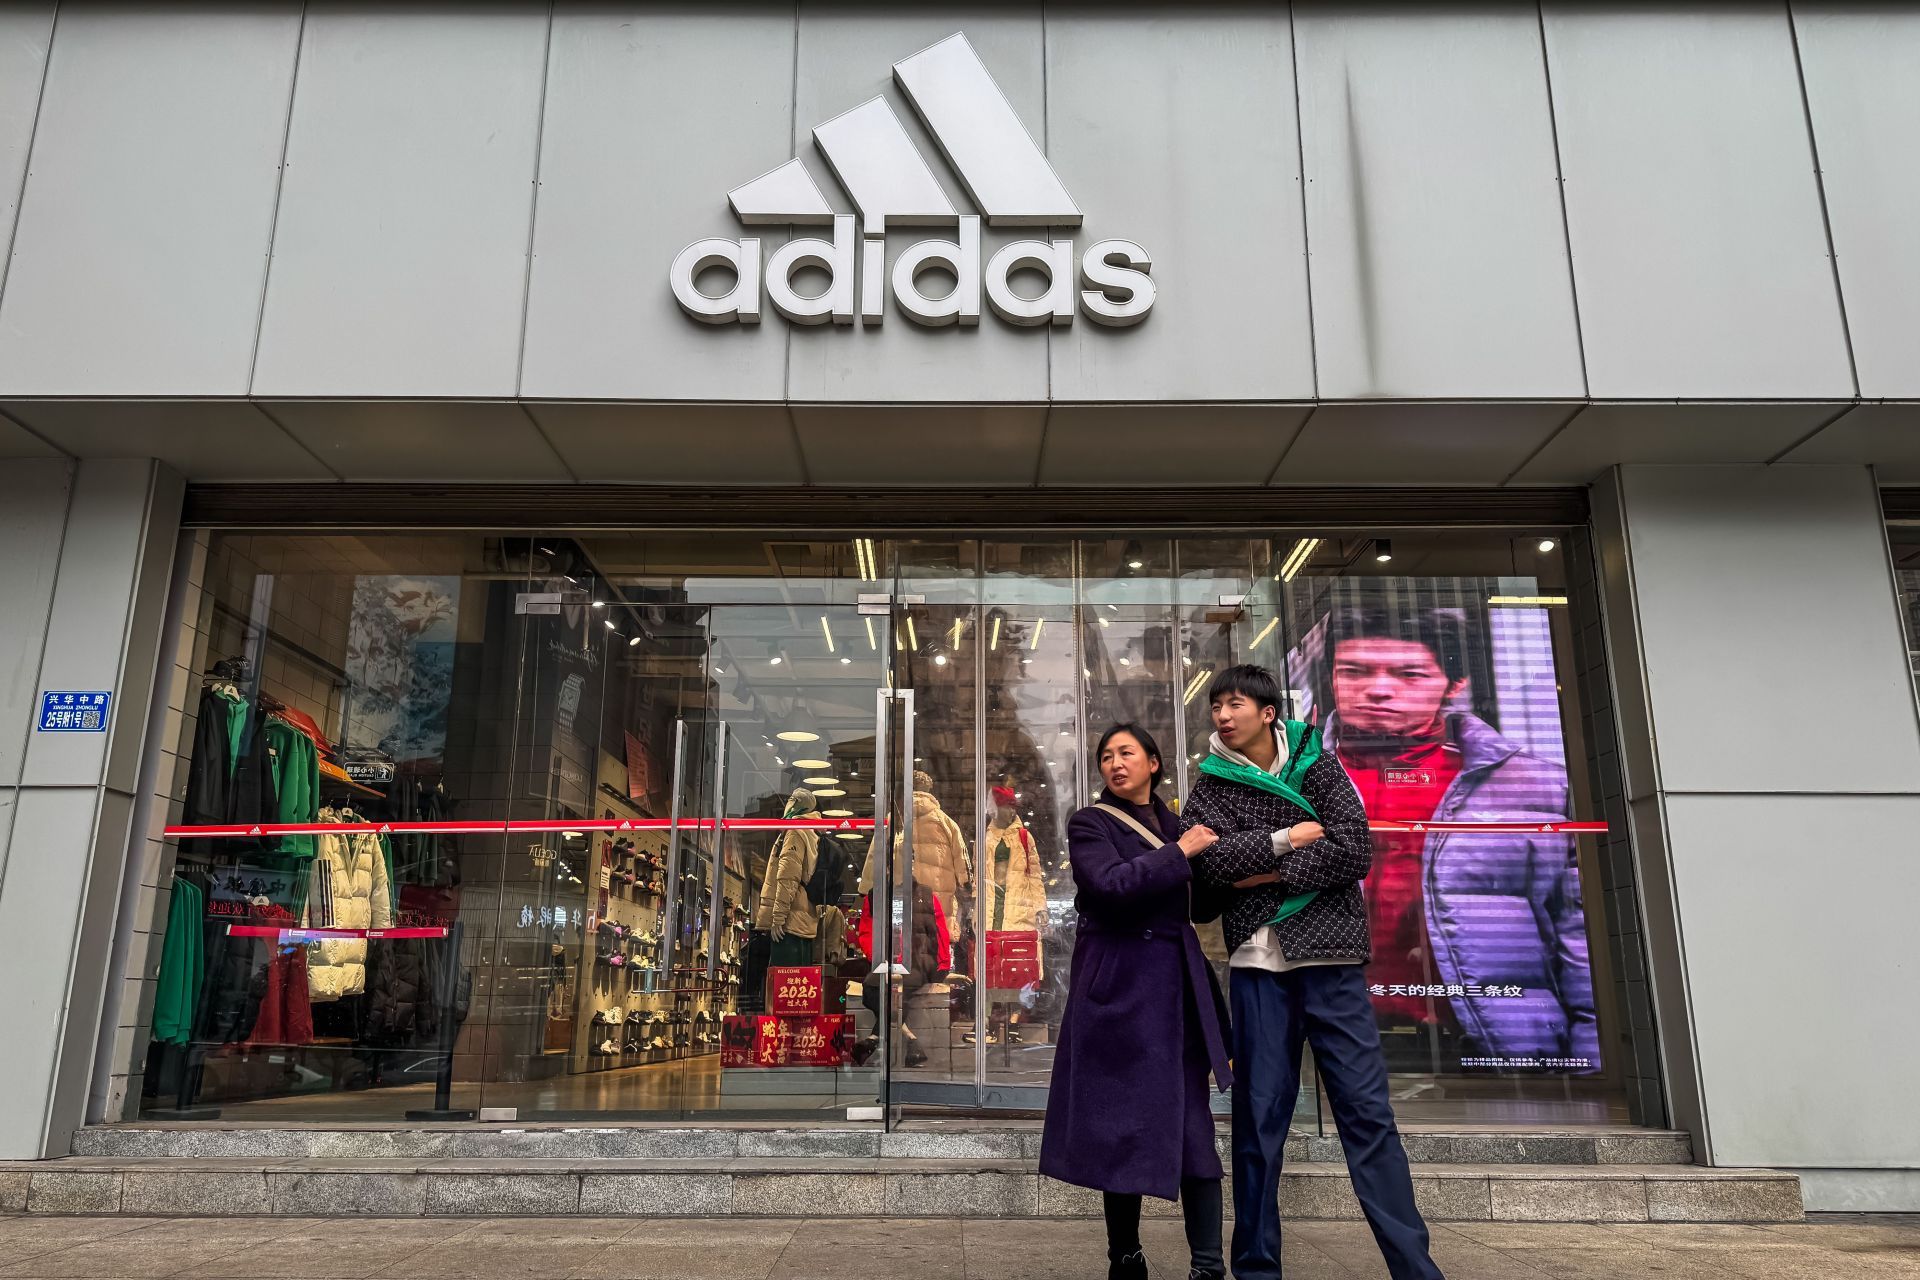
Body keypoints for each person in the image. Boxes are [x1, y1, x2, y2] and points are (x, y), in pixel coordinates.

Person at [1184, 665, 1444, 1280]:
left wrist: (1265, 873)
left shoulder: (1318, 764)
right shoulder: (1210, 784)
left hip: (1332, 963)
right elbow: (1210, 865)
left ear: (1269, 712)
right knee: (1257, 1123)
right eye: (1217, 704)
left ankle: (1415, 1268)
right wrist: (1287, 840)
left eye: (1235, 703)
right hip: (1256, 966)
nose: (1222, 714)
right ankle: (1255, 1269)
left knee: (1367, 1115)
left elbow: (1355, 849)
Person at [1316, 605, 1596, 1071]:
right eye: (1354, 671)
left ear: (1455, 684)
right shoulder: (1296, 780)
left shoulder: (1532, 784)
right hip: (1331, 1029)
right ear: (1331, 679)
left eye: (1410, 673)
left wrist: (1590, 1053)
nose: (1378, 689)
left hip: (1486, 1038)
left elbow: (1576, 926)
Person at [1039, 724, 1232, 1280]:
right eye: (1106, 757)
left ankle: (1208, 1265)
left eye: (1127, 753)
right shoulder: (1091, 823)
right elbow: (1111, 886)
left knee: (1194, 1125)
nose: (1116, 764)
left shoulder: (1178, 825)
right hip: (1119, 992)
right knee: (1120, 1128)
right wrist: (1184, 850)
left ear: (1153, 762)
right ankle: (1125, 1257)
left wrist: (1273, 850)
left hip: (1176, 992)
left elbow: (1199, 907)